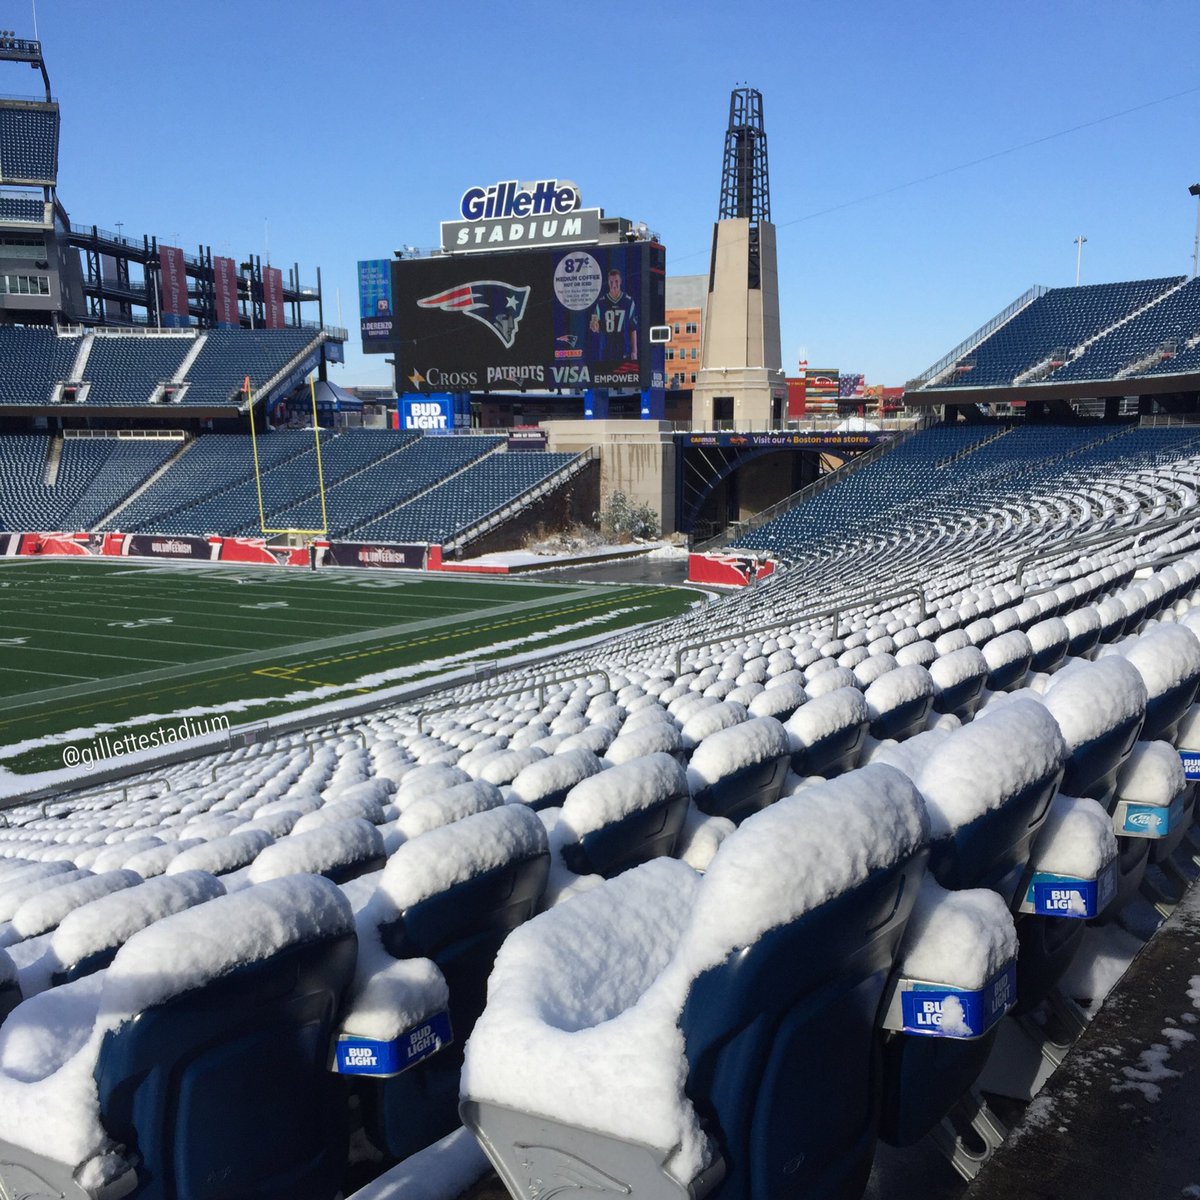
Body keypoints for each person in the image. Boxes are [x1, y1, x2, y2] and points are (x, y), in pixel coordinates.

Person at [589, 267, 638, 364]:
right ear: (608, 282)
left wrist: (634, 351)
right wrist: (594, 326)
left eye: (616, 281)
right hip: (606, 351)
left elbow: (633, 328)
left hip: (624, 350)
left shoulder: (628, 301)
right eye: (611, 282)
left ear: (620, 281)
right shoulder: (601, 302)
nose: (614, 285)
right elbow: (595, 326)